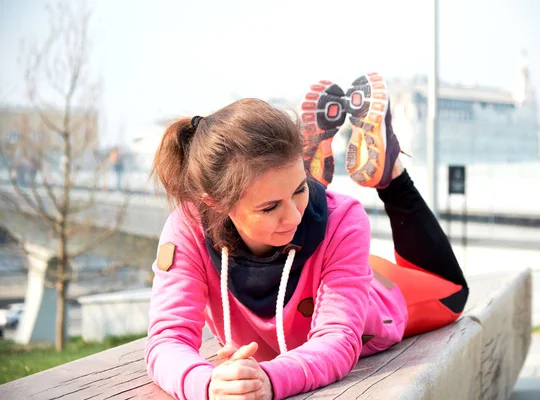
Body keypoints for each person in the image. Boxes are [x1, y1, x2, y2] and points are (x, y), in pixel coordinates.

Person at [146, 73, 468, 400]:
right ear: (212, 201)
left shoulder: (344, 220)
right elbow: (166, 339)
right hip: (323, 264)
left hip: (363, 284)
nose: (294, 216)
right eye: (270, 206)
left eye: (299, 189)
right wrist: (208, 384)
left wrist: (268, 380)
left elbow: (338, 339)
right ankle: (308, 186)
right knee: (315, 219)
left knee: (452, 294)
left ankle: (392, 176)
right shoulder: (187, 228)